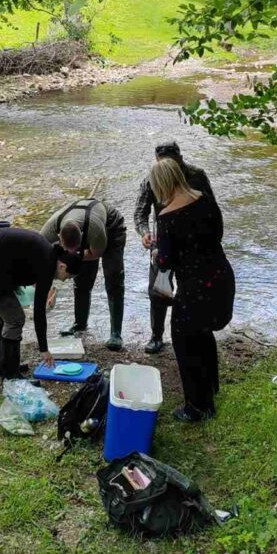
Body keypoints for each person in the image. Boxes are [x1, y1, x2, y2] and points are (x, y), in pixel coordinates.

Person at [151, 157, 234, 423]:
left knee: (185, 342)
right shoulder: (204, 198)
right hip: (220, 275)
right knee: (203, 333)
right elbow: (218, 232)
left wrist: (156, 253)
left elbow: (165, 262)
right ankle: (211, 387)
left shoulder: (167, 217)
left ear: (161, 184)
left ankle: (198, 407)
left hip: (194, 286)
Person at [0, 227, 81, 379]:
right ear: (63, 266)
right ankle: (10, 374)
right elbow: (39, 312)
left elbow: (18, 265)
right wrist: (44, 349)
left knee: (4, 312)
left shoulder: (48, 253)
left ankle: (2, 366)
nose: (64, 280)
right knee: (15, 318)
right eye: (68, 277)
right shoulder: (47, 264)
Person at [134, 141, 216, 354]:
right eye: (163, 163)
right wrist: (145, 233)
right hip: (163, 243)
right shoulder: (152, 178)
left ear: (180, 158)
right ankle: (157, 336)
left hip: (194, 245)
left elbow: (211, 210)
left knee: (196, 290)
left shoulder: (197, 175)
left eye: (173, 162)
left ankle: (199, 330)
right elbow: (140, 213)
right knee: (158, 290)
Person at [40, 198, 127, 350]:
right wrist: (45, 283)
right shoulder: (51, 227)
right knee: (81, 280)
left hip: (111, 227)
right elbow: (39, 254)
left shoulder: (95, 229)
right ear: (59, 236)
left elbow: (95, 253)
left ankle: (116, 334)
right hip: (82, 229)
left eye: (76, 249)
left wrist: (76, 256)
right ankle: (79, 324)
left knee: (113, 278)